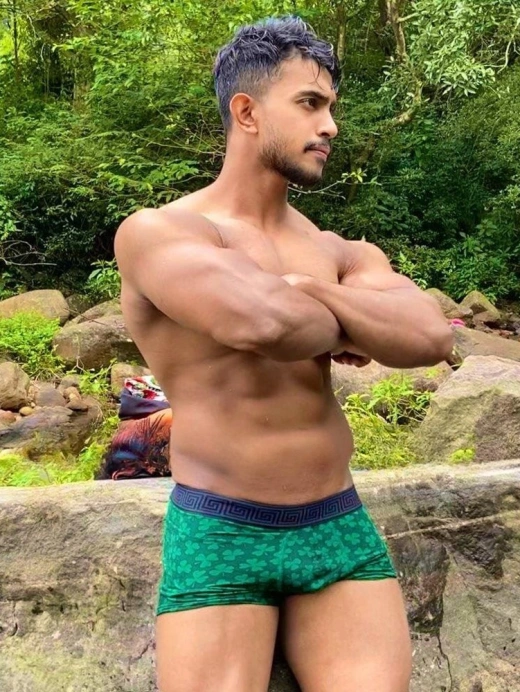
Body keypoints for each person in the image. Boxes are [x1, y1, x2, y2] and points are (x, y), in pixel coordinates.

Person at [114, 15, 454, 692]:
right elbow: (263, 323)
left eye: (330, 107)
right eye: (310, 104)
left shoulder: (333, 250)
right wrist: (356, 323)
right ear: (246, 112)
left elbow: (430, 337)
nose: (331, 126)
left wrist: (311, 290)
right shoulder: (159, 232)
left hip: (337, 523)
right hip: (221, 529)